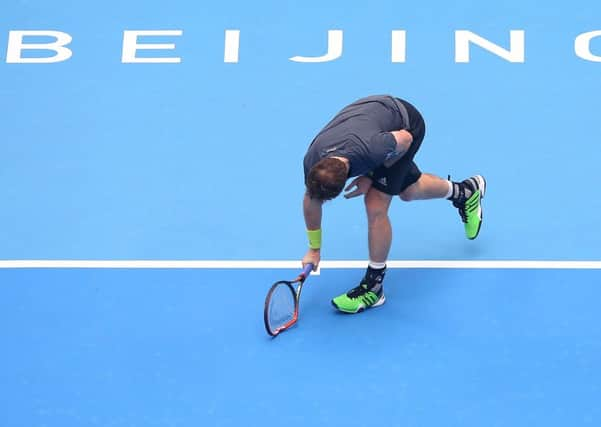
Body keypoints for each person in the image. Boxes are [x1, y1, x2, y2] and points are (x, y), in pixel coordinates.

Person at [302, 95, 486, 314]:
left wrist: (370, 176)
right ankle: (465, 193)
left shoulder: (374, 148)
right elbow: (311, 201)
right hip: (371, 117)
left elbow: (405, 139)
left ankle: (374, 287)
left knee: (375, 203)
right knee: (408, 191)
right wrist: (314, 249)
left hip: (406, 123)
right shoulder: (313, 160)